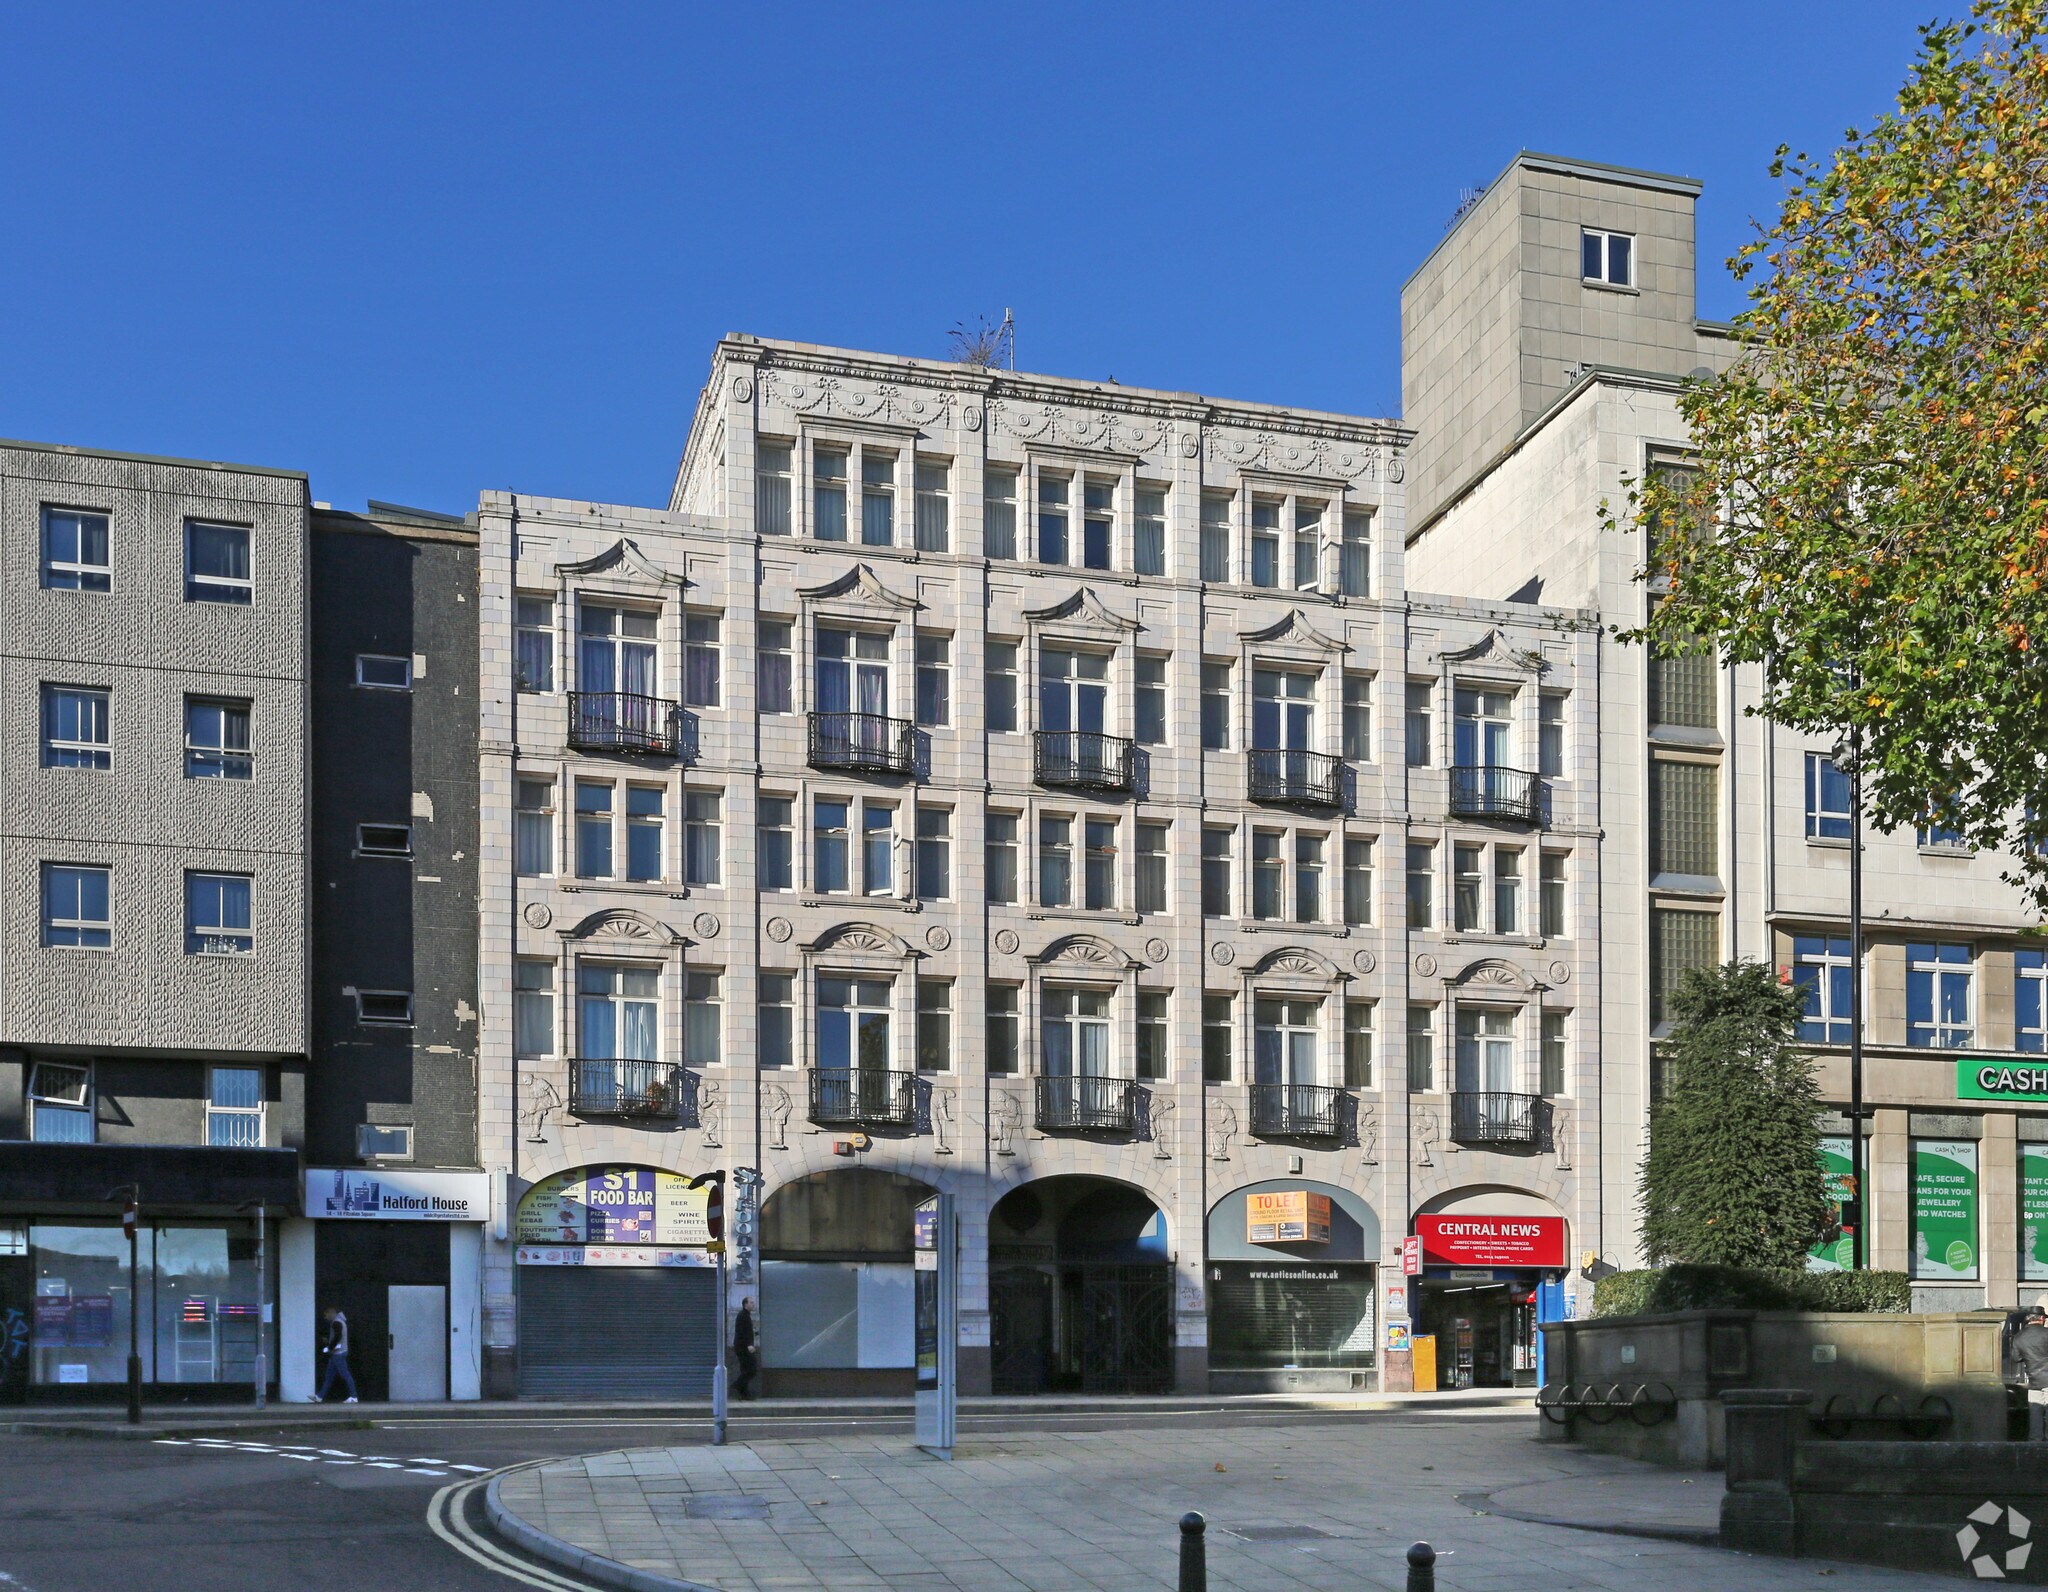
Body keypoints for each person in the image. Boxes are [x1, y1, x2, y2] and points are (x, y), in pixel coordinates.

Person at [313, 1304, 358, 1403]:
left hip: (338, 1353)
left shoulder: (336, 1323)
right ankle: (319, 1397)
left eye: (326, 1315)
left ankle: (354, 1396)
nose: (325, 1317)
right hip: (337, 1353)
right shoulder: (340, 1322)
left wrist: (329, 1347)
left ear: (331, 1313)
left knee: (345, 1375)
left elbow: (337, 1337)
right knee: (329, 1376)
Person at [2014, 1309, 2048, 1439]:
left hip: (2033, 1381)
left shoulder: (2019, 1337)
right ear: (2040, 1318)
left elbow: (2015, 1358)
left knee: (2035, 1413)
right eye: (2044, 1317)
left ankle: (2035, 1443)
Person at [732, 1296, 758, 1401]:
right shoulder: (743, 1315)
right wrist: (749, 1345)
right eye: (751, 1302)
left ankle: (744, 1394)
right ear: (745, 1304)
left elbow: (747, 1330)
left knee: (745, 1370)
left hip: (742, 1346)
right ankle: (737, 1385)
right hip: (743, 1347)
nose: (753, 1304)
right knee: (751, 1369)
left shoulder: (746, 1315)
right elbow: (742, 1332)